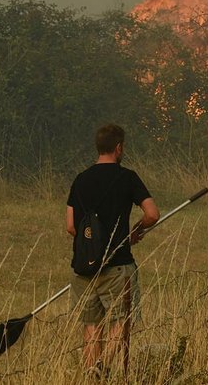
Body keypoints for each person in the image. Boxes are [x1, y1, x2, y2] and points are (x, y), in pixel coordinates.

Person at [65, 123, 160, 375]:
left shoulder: (80, 180)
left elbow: (71, 227)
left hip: (84, 267)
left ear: (98, 147)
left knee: (90, 324)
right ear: (118, 148)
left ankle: (91, 373)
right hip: (118, 264)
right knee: (123, 320)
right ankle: (103, 366)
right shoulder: (127, 177)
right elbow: (152, 214)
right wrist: (135, 231)